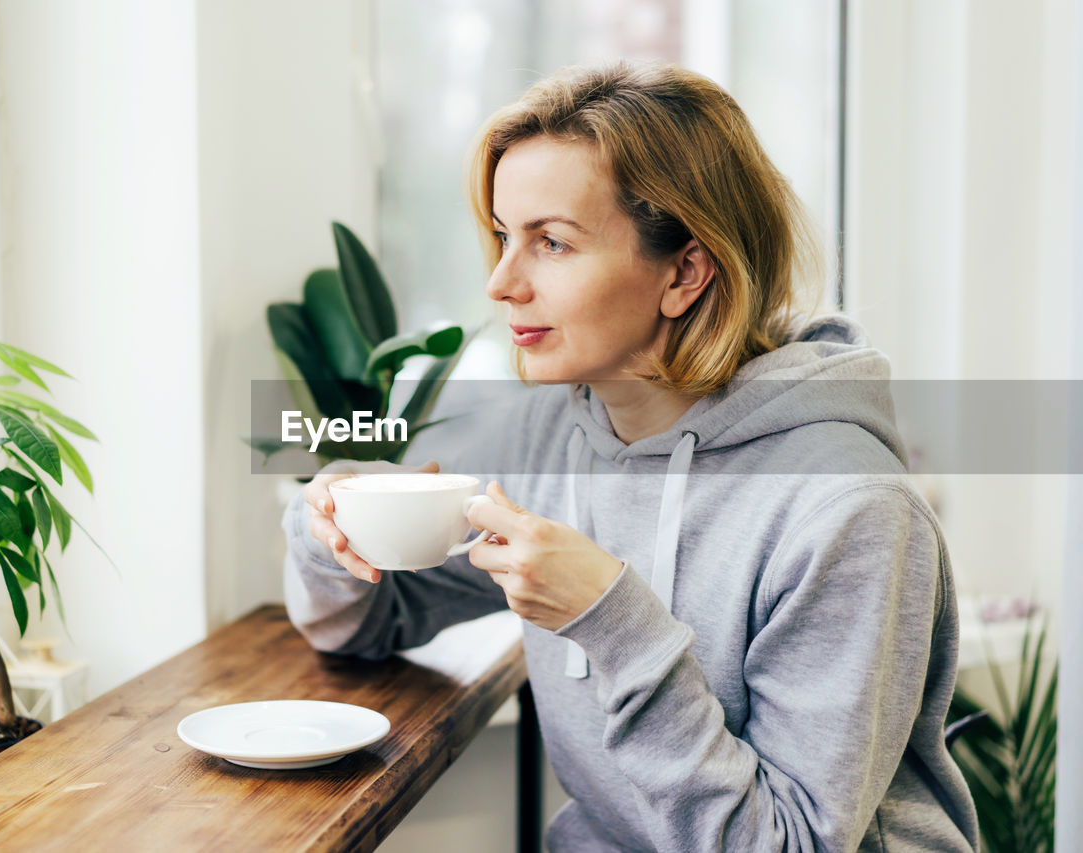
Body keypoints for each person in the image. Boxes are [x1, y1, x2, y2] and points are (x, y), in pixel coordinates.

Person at [282, 62, 978, 851]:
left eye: (551, 242)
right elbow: (362, 621)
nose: (502, 281)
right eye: (505, 237)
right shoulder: (549, 434)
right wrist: (334, 529)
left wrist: (612, 620)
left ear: (684, 270)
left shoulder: (845, 506)